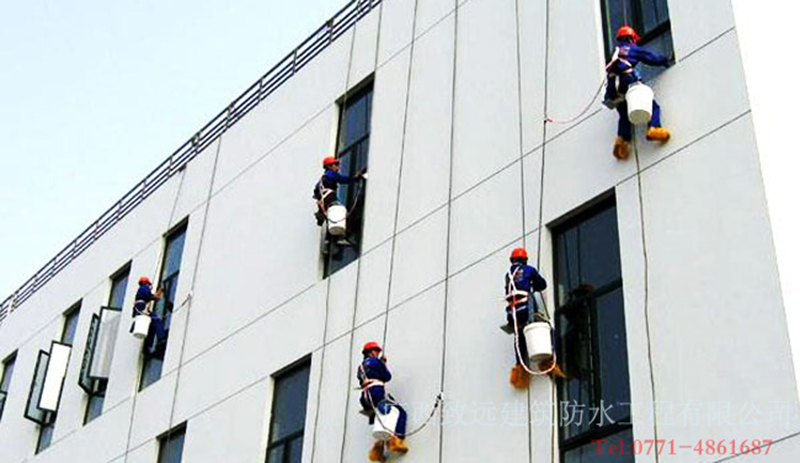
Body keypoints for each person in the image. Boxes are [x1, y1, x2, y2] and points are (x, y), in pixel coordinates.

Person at [604, 25, 672, 160]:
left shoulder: (614, 52)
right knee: (652, 106)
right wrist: (665, 60)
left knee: (624, 113)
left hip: (612, 89)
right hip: (626, 81)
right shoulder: (631, 48)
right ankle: (654, 128)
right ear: (631, 38)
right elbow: (650, 57)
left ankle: (622, 140)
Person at [358, 341, 409, 461]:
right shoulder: (376, 362)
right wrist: (383, 364)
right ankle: (397, 440)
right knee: (400, 412)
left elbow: (362, 381)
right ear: (370, 352)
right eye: (376, 351)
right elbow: (387, 376)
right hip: (376, 392)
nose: (377, 353)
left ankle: (377, 451)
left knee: (383, 419)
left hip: (366, 397)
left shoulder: (361, 367)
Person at [504, 248, 547, 389]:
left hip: (512, 314)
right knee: (537, 329)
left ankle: (520, 366)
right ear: (525, 260)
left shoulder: (508, 275)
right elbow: (542, 285)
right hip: (525, 309)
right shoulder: (529, 270)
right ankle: (544, 358)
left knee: (519, 338)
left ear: (512, 260)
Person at [313, 156, 365, 230]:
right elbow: (341, 179)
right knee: (337, 208)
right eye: (336, 164)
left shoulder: (323, 178)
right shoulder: (330, 173)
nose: (338, 167)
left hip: (324, 199)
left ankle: (325, 221)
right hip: (329, 196)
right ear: (329, 166)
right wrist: (355, 179)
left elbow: (316, 191)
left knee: (330, 212)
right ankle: (344, 227)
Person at [132, 277, 166, 356]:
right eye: (148, 284)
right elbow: (152, 297)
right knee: (157, 320)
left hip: (140, 309)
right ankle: (161, 338)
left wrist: (159, 292)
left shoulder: (141, 291)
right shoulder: (143, 288)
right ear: (145, 283)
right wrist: (160, 291)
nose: (149, 286)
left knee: (152, 326)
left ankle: (148, 346)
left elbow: (154, 298)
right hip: (142, 308)